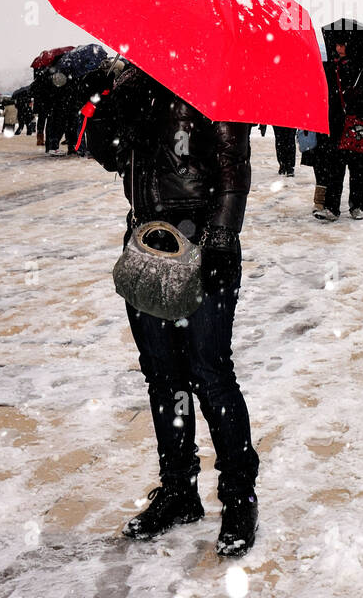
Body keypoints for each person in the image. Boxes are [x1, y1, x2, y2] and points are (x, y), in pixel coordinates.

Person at [85, 61, 258, 555]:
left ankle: (238, 496)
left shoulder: (215, 79)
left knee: (209, 371)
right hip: (147, 240)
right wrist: (107, 107)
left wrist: (223, 237)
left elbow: (232, 163)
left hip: (203, 240)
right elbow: (109, 155)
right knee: (163, 374)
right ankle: (179, 490)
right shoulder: (131, 84)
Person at [314, 38, 363, 221]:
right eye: (337, 44)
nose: (338, 48)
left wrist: (357, 98)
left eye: (342, 45)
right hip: (338, 123)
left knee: (357, 168)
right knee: (336, 167)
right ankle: (333, 207)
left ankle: (356, 206)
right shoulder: (332, 67)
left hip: (357, 123)